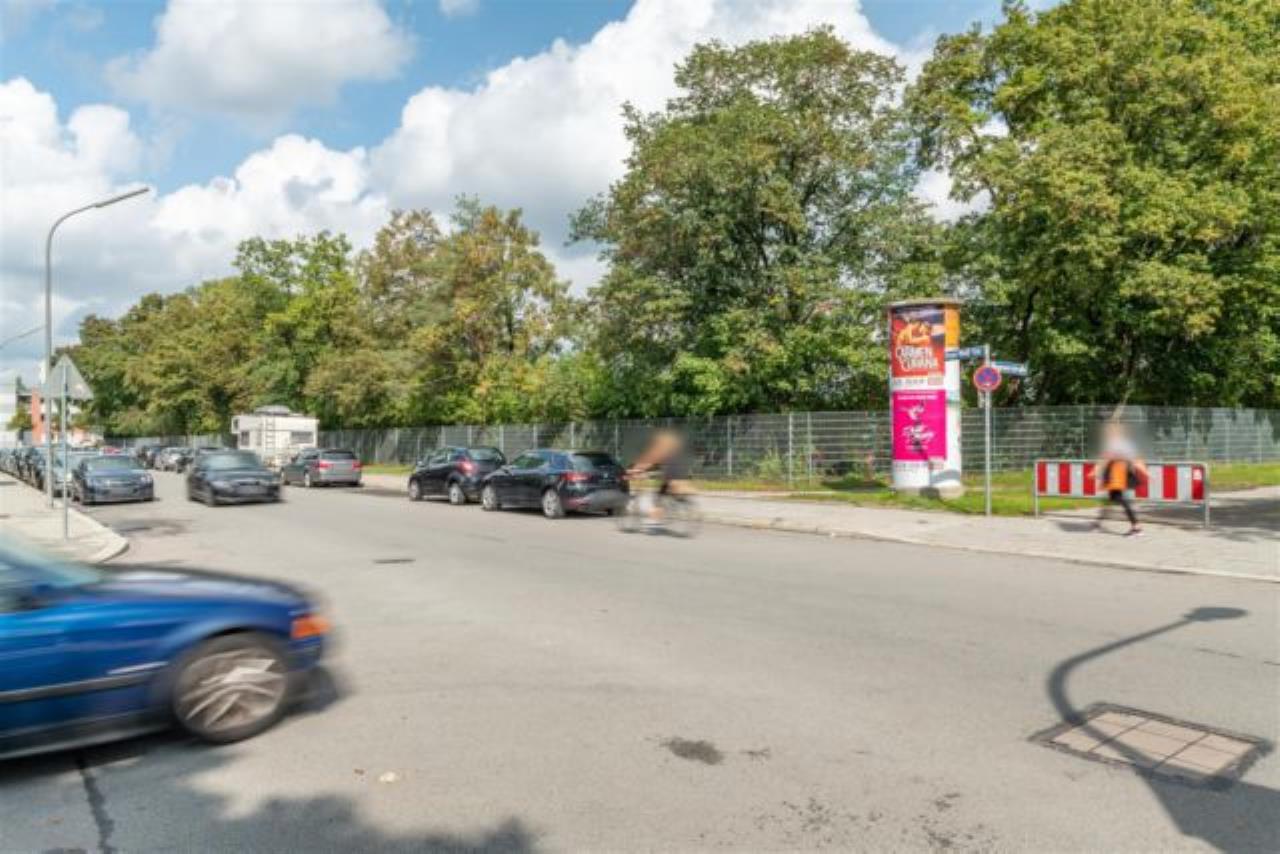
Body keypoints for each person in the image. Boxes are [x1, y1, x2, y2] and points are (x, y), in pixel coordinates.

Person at [627, 428, 693, 525]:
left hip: (672, 471)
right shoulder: (675, 447)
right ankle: (677, 500)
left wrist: (637, 470)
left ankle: (655, 518)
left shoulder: (661, 447)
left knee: (659, 495)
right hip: (682, 469)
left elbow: (650, 460)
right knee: (668, 489)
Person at [1096, 421, 1146, 537]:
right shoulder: (1118, 443)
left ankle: (1136, 527)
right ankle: (1099, 521)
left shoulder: (1116, 443)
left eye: (1110, 431)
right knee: (1113, 497)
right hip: (1117, 473)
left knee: (1119, 498)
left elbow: (1111, 457)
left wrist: (1100, 469)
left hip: (1117, 474)